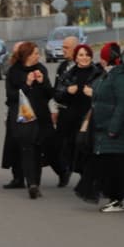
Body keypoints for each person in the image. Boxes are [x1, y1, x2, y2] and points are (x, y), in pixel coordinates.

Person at [90, 42, 124, 213]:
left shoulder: (122, 76)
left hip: (118, 128)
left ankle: (118, 199)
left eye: (102, 57)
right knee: (116, 164)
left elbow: (123, 104)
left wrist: (113, 127)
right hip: (105, 126)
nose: (100, 61)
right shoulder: (108, 75)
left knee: (117, 164)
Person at [5, 41, 54, 199]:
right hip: (23, 117)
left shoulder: (41, 69)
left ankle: (36, 183)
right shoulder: (14, 72)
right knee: (27, 149)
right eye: (35, 53)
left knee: (38, 150)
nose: (38, 56)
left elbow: (50, 94)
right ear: (27, 55)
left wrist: (42, 81)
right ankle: (31, 183)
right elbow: (11, 96)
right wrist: (27, 84)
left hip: (41, 116)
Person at [54, 43, 102, 195]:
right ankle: (86, 179)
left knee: (91, 150)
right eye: (81, 55)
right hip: (73, 119)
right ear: (75, 58)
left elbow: (108, 93)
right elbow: (57, 95)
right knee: (77, 151)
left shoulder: (98, 73)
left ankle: (95, 183)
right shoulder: (68, 74)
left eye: (87, 55)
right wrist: (67, 91)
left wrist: (94, 93)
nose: (84, 58)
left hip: (92, 117)